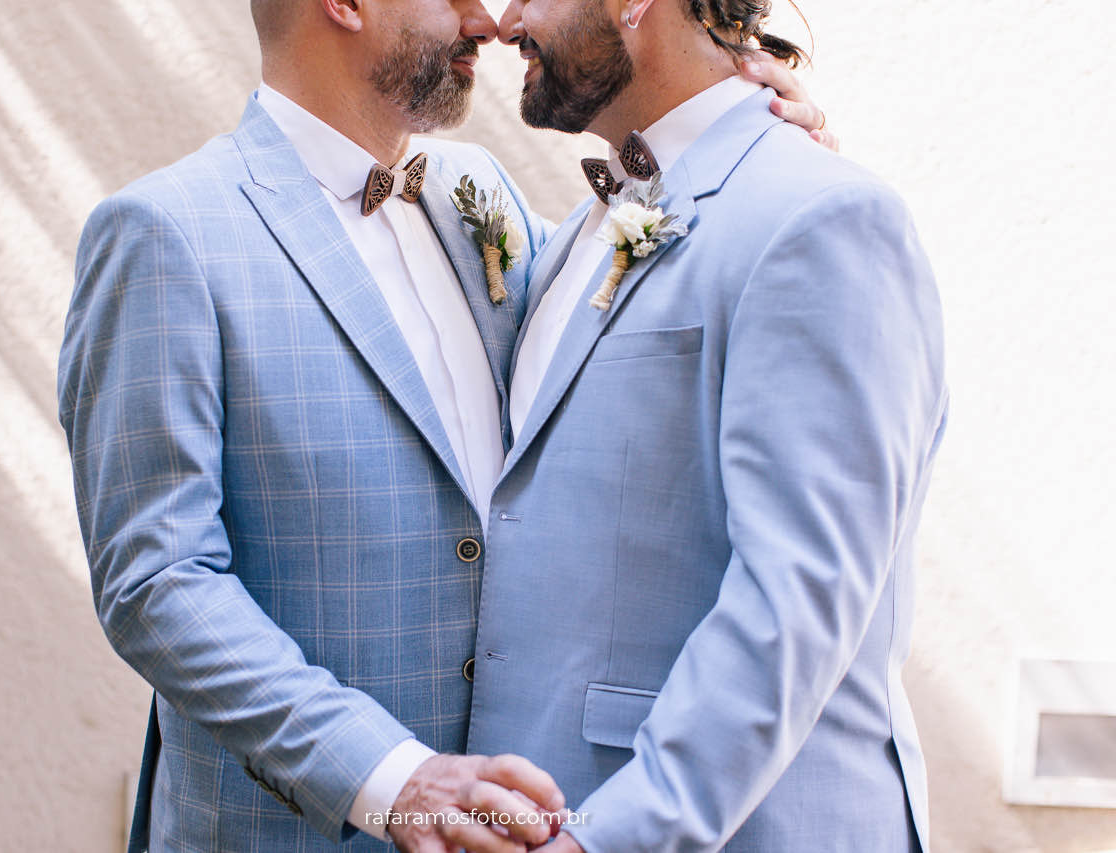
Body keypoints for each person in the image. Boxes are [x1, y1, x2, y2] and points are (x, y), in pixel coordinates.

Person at [57, 1, 828, 850]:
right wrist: (389, 778)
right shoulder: (167, 234)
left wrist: (758, 160)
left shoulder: (476, 198)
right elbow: (155, 582)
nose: (487, 20)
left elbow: (614, 326)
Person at [470, 1, 948, 851]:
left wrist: (602, 839)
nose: (507, 20)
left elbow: (797, 598)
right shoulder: (582, 231)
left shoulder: (819, 217)